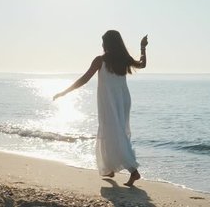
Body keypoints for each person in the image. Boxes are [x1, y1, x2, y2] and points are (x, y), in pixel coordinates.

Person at [53, 30, 148, 186]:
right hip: (123, 100)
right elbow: (142, 64)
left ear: (108, 43)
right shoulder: (124, 59)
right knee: (112, 132)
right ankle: (110, 168)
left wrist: (64, 92)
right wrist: (143, 47)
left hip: (110, 101)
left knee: (114, 134)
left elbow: (84, 78)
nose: (102, 45)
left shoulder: (100, 60)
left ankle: (134, 171)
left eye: (103, 41)